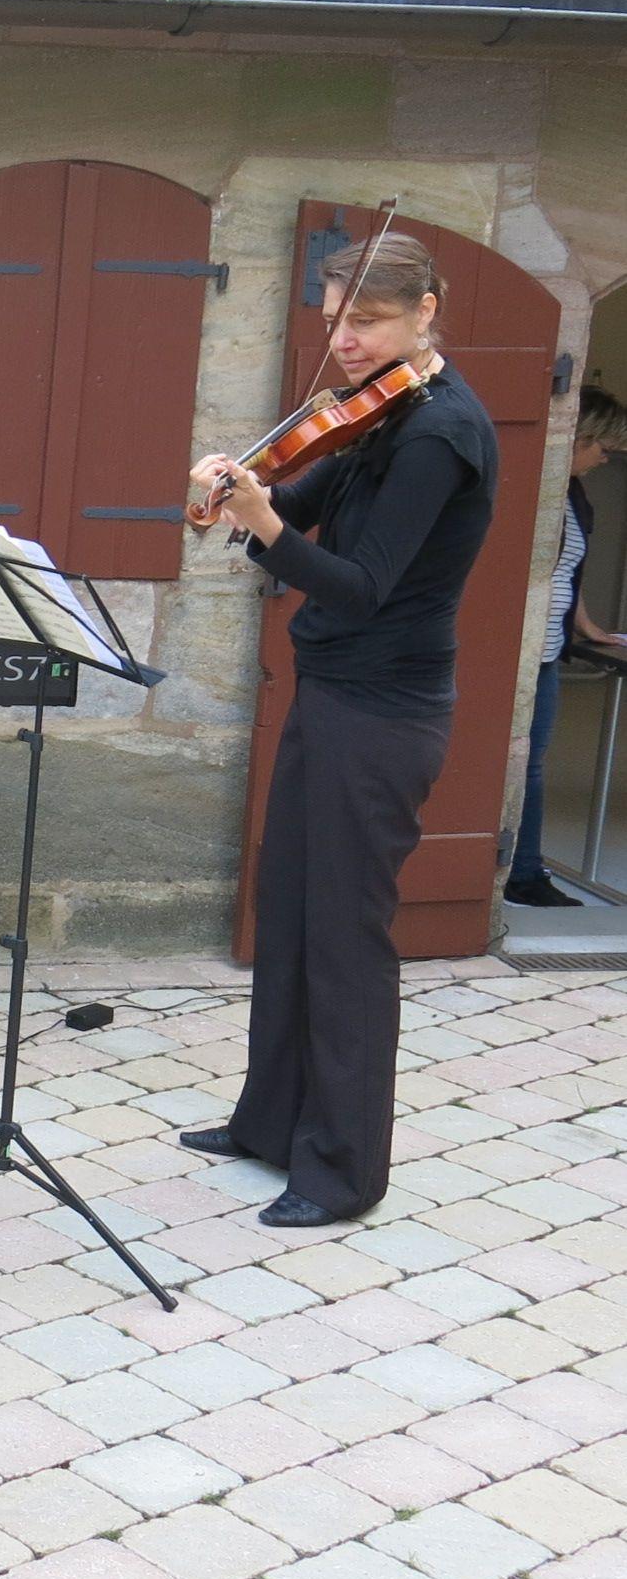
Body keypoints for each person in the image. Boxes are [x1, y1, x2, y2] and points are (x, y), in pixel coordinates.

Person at [186, 229, 498, 1228]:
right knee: (286, 911)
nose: (346, 341)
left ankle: (340, 1170)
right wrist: (236, 493)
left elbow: (359, 587)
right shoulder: (375, 416)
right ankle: (268, 1125)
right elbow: (288, 499)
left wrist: (266, 530)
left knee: (344, 939)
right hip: (329, 696)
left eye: (364, 320)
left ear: (424, 309)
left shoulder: (437, 435)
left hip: (382, 712)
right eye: (335, 321)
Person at [505, 385, 627, 908]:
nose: (607, 457)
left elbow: (562, 575)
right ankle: (523, 875)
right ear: (582, 435)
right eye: (605, 445)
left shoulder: (574, 493)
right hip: (518, 655)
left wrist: (590, 629)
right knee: (517, 762)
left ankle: (523, 872)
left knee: (530, 761)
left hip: (548, 653)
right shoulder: (539, 489)